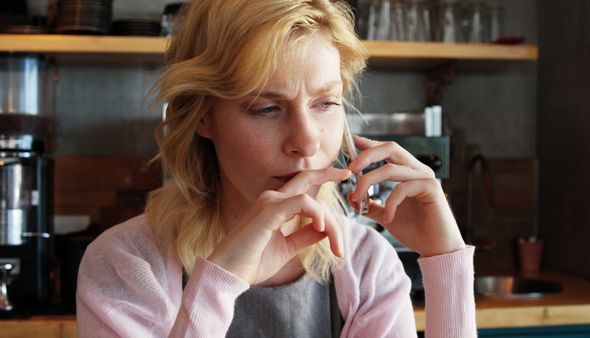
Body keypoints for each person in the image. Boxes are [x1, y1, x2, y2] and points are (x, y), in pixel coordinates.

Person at [76, 0, 477, 337]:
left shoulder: (366, 264)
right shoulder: (127, 264)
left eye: (325, 104)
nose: (307, 141)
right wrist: (220, 277)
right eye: (266, 108)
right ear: (202, 117)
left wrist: (447, 262)